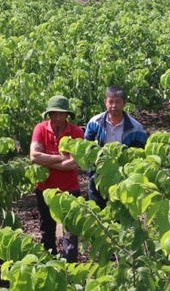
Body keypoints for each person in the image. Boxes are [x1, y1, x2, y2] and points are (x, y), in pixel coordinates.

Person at [29, 95, 84, 262]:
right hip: (45, 189)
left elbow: (74, 164)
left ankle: (71, 265)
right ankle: (50, 262)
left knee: (71, 230)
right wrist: (61, 158)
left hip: (70, 189)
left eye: (61, 114)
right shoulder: (40, 129)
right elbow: (34, 156)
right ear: (49, 114)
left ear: (67, 115)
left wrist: (47, 160)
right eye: (54, 114)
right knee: (47, 228)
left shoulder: (76, 132)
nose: (58, 117)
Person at [84, 86, 148, 210]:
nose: (114, 105)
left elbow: (140, 155)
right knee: (97, 211)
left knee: (120, 213)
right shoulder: (94, 123)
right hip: (98, 176)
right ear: (105, 102)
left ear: (124, 103)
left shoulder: (136, 128)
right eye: (110, 102)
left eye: (118, 102)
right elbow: (87, 148)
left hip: (123, 178)